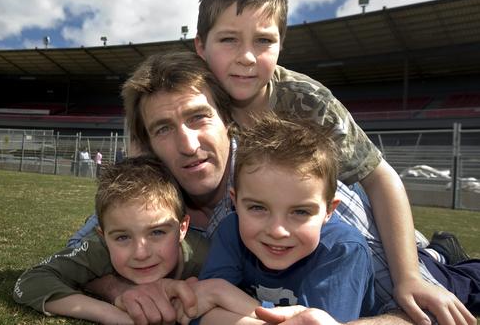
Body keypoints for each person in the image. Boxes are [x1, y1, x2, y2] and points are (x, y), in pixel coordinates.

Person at [69, 52, 478, 324]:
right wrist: (119, 289)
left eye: (198, 118)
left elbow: (416, 312)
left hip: (411, 255)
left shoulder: (292, 185)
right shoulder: (147, 191)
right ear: (147, 145)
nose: (188, 145)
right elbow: (78, 254)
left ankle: (445, 252)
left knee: (452, 275)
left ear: (228, 121)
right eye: (163, 129)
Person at [192, 0, 474, 324]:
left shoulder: (306, 100)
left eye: (263, 40)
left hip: (336, 224)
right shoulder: (189, 99)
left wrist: (408, 278)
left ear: (280, 45)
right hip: (253, 228)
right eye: (229, 39)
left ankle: (433, 257)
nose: (247, 57)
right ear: (201, 45)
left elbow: (379, 178)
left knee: (424, 304)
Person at [188, 113, 377, 323]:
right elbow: (198, 311)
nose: (277, 231)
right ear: (236, 202)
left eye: (300, 212)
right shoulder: (230, 230)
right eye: (258, 208)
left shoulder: (342, 249)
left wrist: (222, 292)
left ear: (329, 210)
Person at [13, 156, 207, 323]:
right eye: (122, 237)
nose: (141, 253)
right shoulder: (99, 249)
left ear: (182, 228)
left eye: (157, 232)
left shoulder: (207, 256)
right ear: (103, 237)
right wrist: (110, 314)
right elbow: (30, 281)